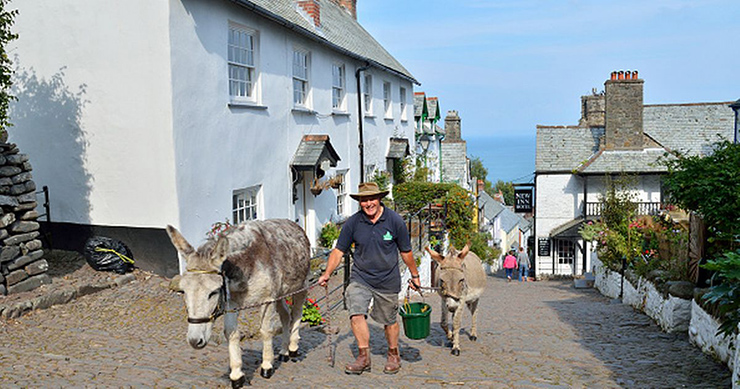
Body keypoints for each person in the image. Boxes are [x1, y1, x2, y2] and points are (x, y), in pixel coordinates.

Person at [318, 182, 421, 376]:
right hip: (361, 277)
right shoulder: (353, 223)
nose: (368, 203)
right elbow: (339, 250)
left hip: (387, 279)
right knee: (356, 311)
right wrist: (327, 273)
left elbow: (406, 251)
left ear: (379, 199)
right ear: (360, 202)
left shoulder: (394, 221)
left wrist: (415, 275)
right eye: (364, 200)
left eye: (371, 198)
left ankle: (393, 354)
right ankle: (363, 357)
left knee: (389, 320)